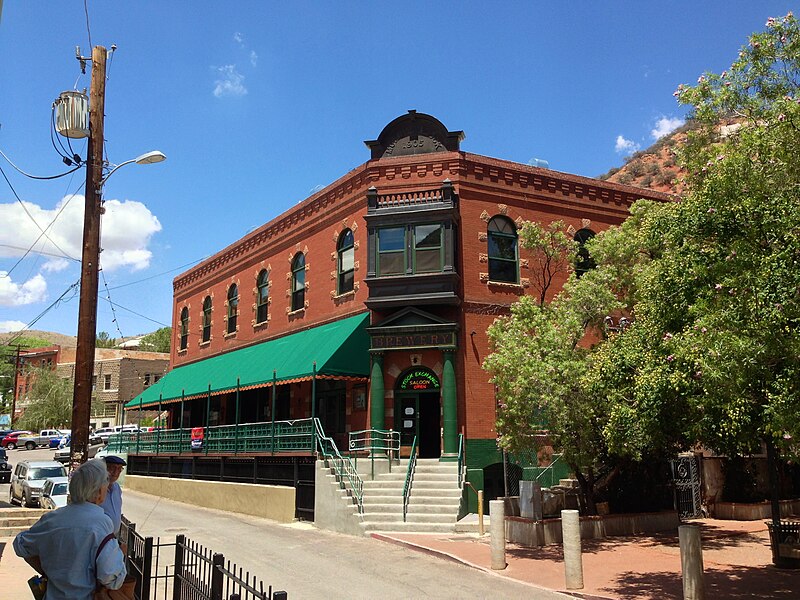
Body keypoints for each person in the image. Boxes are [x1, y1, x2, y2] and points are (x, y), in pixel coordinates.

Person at [13, 458, 127, 600]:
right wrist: (120, 555)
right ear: (98, 491)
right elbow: (112, 579)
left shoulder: (53, 519)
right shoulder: (101, 523)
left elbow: (20, 544)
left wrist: (47, 571)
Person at [101, 455, 126, 536]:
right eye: (112, 468)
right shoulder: (96, 489)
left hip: (113, 537)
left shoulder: (117, 488)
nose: (116, 472)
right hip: (100, 536)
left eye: (119, 469)